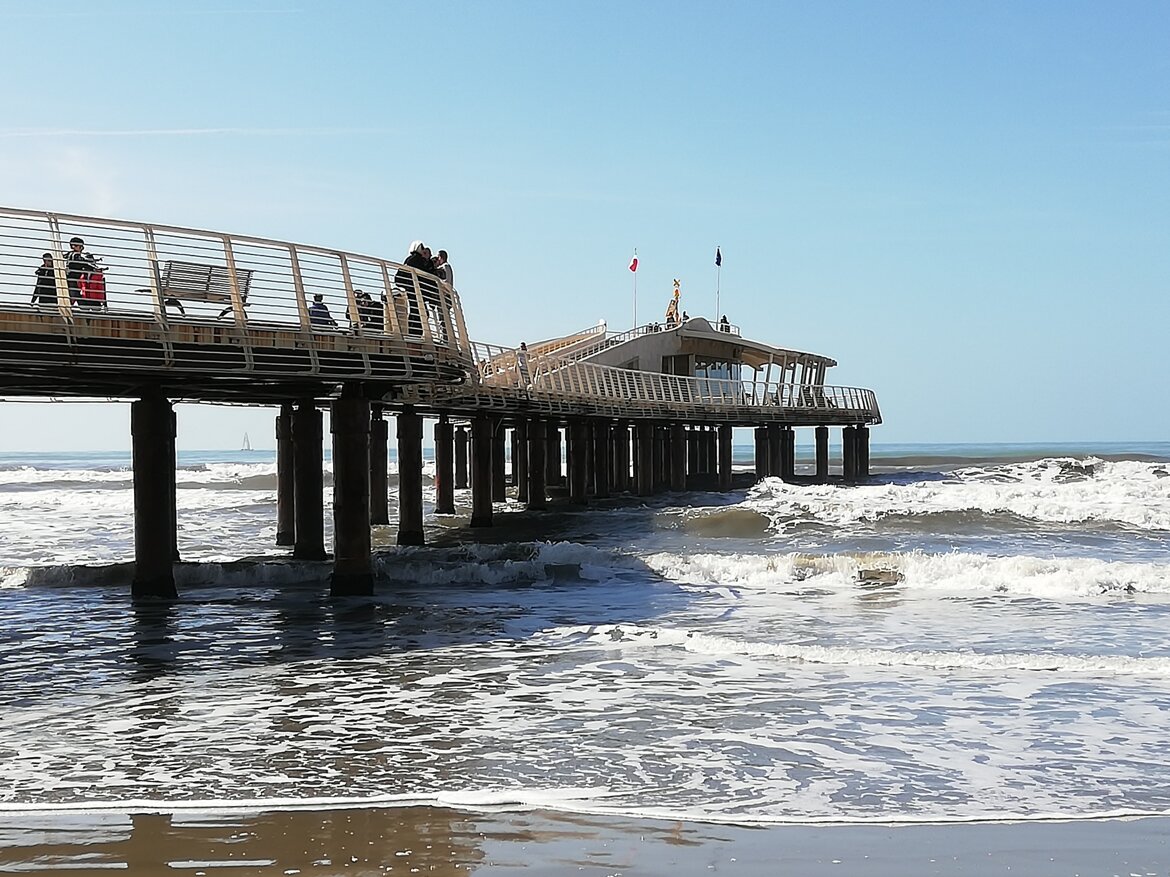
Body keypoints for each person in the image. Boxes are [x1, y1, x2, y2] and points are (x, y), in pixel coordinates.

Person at [64, 237, 98, 307]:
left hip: (71, 279)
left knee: (74, 295)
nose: (81, 248)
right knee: (75, 296)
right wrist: (94, 267)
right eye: (79, 246)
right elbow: (83, 262)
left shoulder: (69, 254)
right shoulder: (75, 255)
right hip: (73, 279)